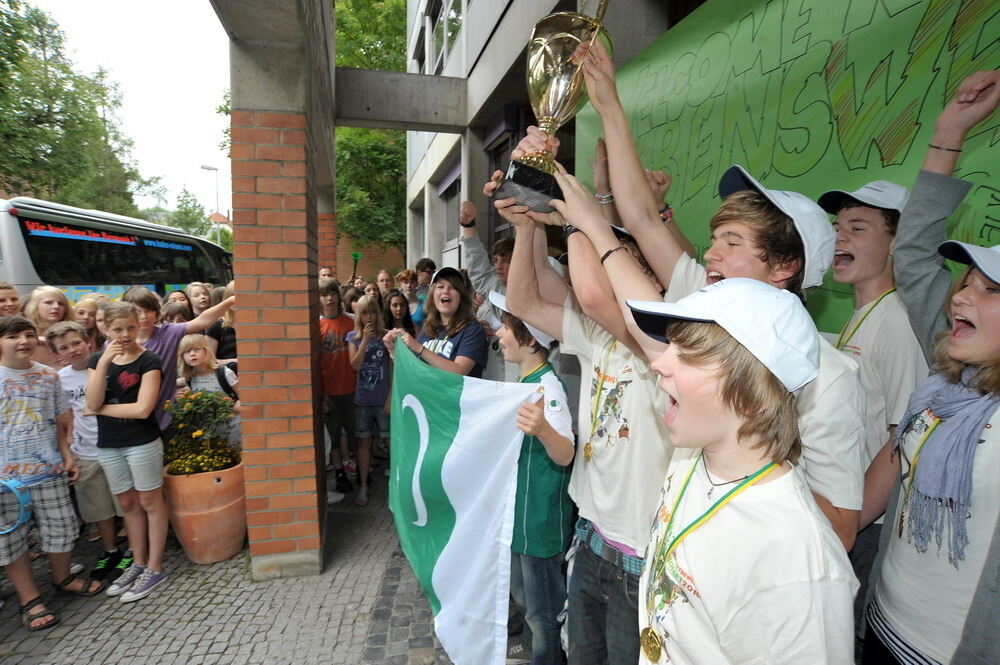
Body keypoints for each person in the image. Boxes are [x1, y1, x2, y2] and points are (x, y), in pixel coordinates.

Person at [563, 38, 865, 550]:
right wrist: (609, 102)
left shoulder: (829, 378)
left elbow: (840, 524)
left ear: (786, 267)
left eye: (732, 241)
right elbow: (637, 216)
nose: (710, 255)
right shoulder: (702, 300)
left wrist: (743, 460)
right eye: (714, 238)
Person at [627, 279, 856, 664]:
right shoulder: (693, 455)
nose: (658, 362)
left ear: (752, 395)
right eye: (671, 346)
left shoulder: (795, 560)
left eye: (687, 353)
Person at [861, 69, 1000, 665]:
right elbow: (914, 252)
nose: (961, 296)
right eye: (964, 283)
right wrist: (949, 133)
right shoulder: (951, 381)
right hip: (883, 626)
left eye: (990, 289)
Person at [500, 193, 672, 665]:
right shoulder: (599, 339)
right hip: (592, 539)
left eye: (617, 263)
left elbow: (594, 297)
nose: (601, 272)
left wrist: (572, 217)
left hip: (639, 560)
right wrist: (526, 227)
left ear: (651, 282)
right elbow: (522, 301)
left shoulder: (664, 347)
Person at [817, 179, 928, 638]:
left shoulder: (897, 321)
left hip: (863, 527)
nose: (839, 237)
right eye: (837, 227)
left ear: (897, 245)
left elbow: (902, 439)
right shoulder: (862, 316)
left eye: (858, 228)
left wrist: (850, 524)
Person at [490, 291, 575, 665]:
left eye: (505, 328)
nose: (498, 335)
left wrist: (542, 428)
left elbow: (565, 452)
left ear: (529, 339)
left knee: (544, 615)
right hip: (521, 521)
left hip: (539, 525)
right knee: (527, 603)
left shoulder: (548, 388)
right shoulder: (525, 381)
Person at [0, 315, 97, 632]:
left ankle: (62, 577)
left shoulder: (48, 376)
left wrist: (67, 456)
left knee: (62, 529)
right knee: (12, 542)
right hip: (5, 480)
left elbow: (60, 421)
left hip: (48, 469)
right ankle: (30, 600)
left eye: (29, 335)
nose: (23, 341)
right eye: (13, 336)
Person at [85, 302, 167, 603]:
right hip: (109, 443)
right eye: (117, 329)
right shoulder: (97, 359)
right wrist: (105, 362)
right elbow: (91, 399)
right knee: (128, 503)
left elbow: (143, 409)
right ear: (105, 327)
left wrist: (100, 409)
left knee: (150, 501)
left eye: (130, 328)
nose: (124, 335)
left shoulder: (149, 360)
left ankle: (155, 566)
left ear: (138, 326)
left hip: (141, 441)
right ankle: (138, 562)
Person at [45, 321, 124, 584]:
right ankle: (110, 550)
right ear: (57, 352)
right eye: (64, 347)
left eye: (76, 343)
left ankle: (133, 551)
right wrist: (67, 446)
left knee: (125, 503)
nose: (73, 350)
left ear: (88, 341)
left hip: (115, 445)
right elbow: (62, 416)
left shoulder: (106, 367)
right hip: (85, 451)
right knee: (98, 507)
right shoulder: (61, 378)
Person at [121, 286, 235, 432]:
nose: (143, 316)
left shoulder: (168, 332)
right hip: (130, 421)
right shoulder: (117, 342)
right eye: (137, 312)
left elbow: (203, 321)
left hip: (165, 419)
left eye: (148, 310)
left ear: (156, 311)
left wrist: (231, 300)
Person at [384, 267, 488, 379]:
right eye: (440, 286)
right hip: (427, 396)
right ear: (432, 295)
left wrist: (418, 348)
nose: (446, 291)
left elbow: (459, 371)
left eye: (453, 287)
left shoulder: (472, 329)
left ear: (461, 296)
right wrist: (394, 352)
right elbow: (413, 372)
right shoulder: (428, 328)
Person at [459, 199, 516, 382]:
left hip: (520, 375)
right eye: (496, 260)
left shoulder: (532, 290)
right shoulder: (491, 288)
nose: (499, 266)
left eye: (506, 260)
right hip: (489, 372)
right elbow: (478, 266)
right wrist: (468, 225)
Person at [346, 295, 390, 507]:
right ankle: (363, 485)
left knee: (391, 441)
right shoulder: (353, 337)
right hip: (363, 399)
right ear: (359, 315)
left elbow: (393, 368)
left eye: (372, 312)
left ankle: (397, 484)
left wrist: (390, 396)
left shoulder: (387, 336)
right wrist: (364, 340)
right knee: (363, 442)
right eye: (364, 312)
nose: (369, 316)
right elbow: (354, 366)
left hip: (383, 399)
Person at [319, 278, 358, 498]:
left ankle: (358, 466)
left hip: (351, 388)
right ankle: (340, 471)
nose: (330, 298)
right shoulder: (317, 326)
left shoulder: (351, 322)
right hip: (330, 391)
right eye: (325, 295)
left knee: (355, 431)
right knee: (333, 436)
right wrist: (322, 394)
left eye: (333, 293)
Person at [178, 334, 241, 448]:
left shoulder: (223, 373)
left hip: (234, 429)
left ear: (206, 351)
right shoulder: (190, 379)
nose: (192, 354)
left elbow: (244, 395)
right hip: (211, 433)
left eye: (197, 349)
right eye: (187, 351)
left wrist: (237, 405)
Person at [22, 286, 71, 367]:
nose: (56, 306)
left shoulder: (74, 332)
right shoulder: (22, 334)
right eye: (49, 302)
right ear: (35, 306)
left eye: (61, 303)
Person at [205, 280, 238, 365]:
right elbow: (209, 360)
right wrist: (235, 361)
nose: (236, 301)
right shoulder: (217, 326)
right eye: (232, 296)